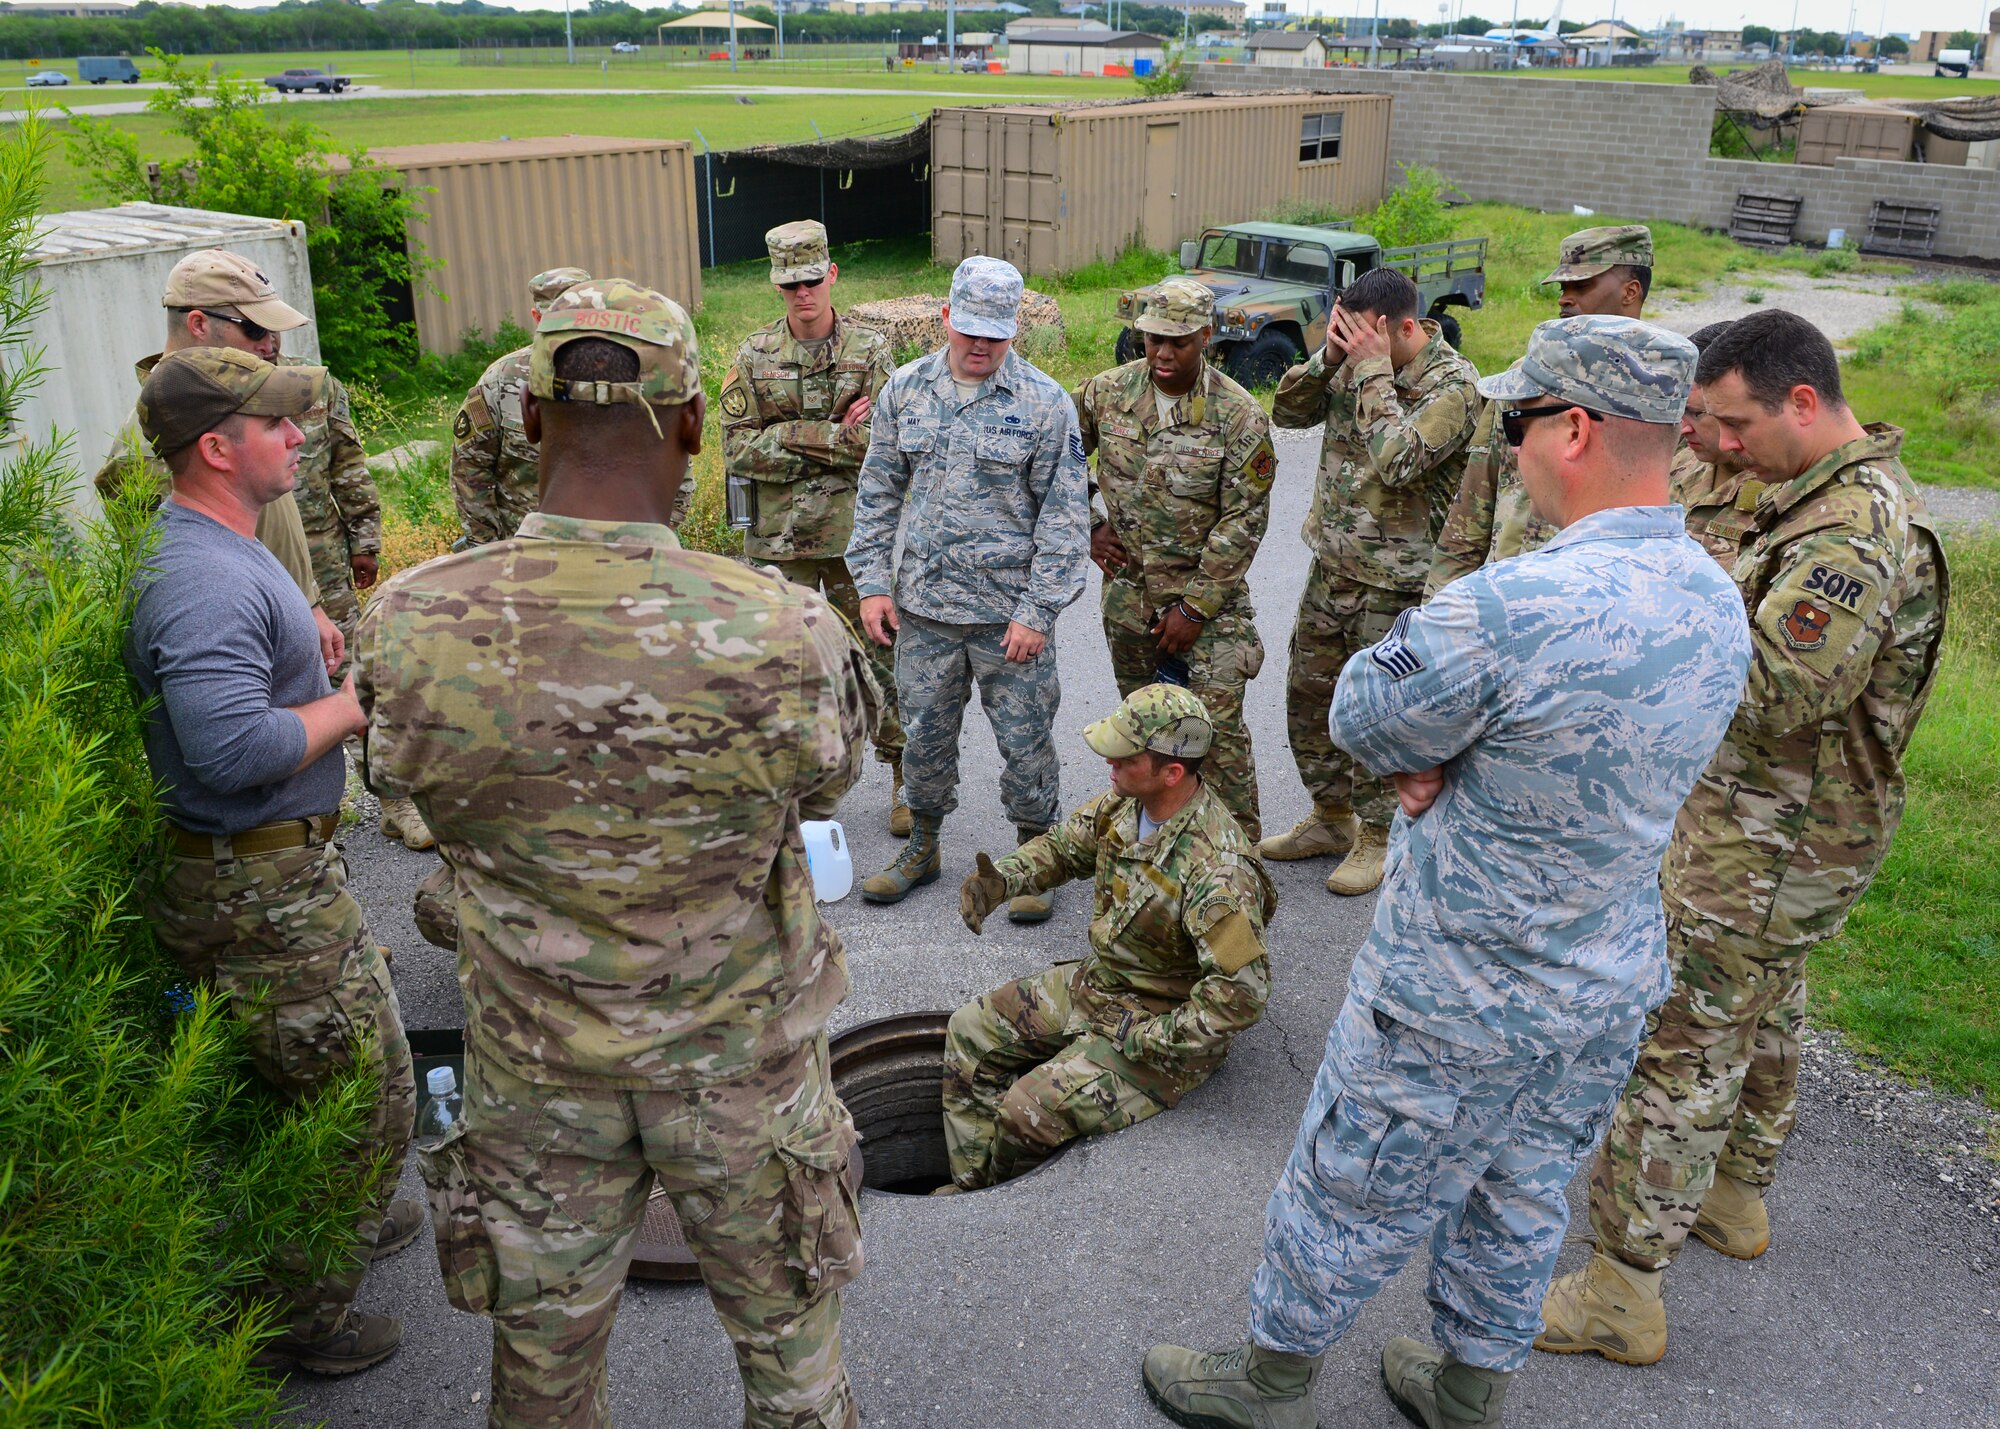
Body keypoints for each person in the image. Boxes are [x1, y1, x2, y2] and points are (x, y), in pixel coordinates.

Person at [1142, 317, 1750, 1429]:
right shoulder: (1715, 600)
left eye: (1516, 424)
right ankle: (1467, 1390)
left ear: (1573, 429)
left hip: (1455, 989)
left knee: (1347, 1175)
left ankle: (1270, 1381)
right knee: (1519, 1193)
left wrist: (1433, 754)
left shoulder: (1505, 608)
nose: (1507, 446)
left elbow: (1358, 713)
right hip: (1601, 981)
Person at [356, 279, 874, 1429]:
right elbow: (827, 780)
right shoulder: (779, 627)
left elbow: (404, 797)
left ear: (529, 422)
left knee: (541, 1386)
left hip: (534, 1073)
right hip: (739, 1072)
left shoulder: (412, 621)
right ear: (695, 421)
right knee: (794, 1374)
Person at [1540, 308, 1950, 1368]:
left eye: (1731, 423)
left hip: (1763, 846)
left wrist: (1667, 602)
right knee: (1762, 1015)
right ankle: (1733, 1196)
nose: (1718, 446)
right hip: (1791, 842)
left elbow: (1777, 686)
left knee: (1679, 1052)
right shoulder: (1821, 500)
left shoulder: (1845, 531)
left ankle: (1619, 1291)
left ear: (1801, 402)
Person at [124, 348, 419, 1377]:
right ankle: (303, 1314)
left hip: (268, 877)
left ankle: (318, 1231)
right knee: (366, 1098)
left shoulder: (217, 544)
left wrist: (308, 646)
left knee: (306, 1084)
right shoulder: (201, 578)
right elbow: (233, 750)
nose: (300, 436)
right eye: (276, 424)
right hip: (258, 891)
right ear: (215, 447)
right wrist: (355, 705)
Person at [945, 684, 1275, 1191]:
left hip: (1159, 1027)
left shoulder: (1219, 872)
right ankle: (972, 1182)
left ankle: (995, 1202)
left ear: (1172, 772)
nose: (1110, 765)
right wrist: (1004, 880)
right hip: (1101, 983)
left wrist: (1146, 1038)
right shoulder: (1125, 804)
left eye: (1126, 757)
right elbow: (1064, 848)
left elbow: (1238, 999)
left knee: (1026, 1108)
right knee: (969, 1031)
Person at [847, 255, 1090, 919]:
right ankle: (922, 846)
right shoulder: (905, 389)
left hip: (1008, 618)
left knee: (1026, 744)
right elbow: (876, 491)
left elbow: (1066, 522)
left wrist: (1037, 611)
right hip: (923, 610)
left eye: (996, 332)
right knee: (922, 740)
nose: (980, 344)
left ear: (1015, 329)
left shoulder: (1044, 404)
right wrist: (872, 584)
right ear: (946, 316)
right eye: (969, 328)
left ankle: (1035, 858)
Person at [1260, 266, 1479, 896]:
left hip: (1399, 581)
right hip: (1332, 564)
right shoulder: (1348, 359)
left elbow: (1399, 460)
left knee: (1385, 713)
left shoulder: (1453, 385)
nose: (1353, 347)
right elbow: (1289, 412)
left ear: (1404, 327)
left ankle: (1380, 836)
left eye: (1361, 338)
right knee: (1309, 696)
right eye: (1343, 334)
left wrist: (1375, 372)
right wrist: (1329, 358)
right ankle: (1330, 818)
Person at [1073, 276, 1278, 841]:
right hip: (1129, 601)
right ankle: (1157, 851)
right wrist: (1089, 525)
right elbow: (1058, 454)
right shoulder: (1106, 393)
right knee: (1146, 737)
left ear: (1206, 336)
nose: (1163, 354)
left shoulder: (1238, 417)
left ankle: (1239, 864)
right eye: (1152, 339)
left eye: (1179, 341)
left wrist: (1194, 608)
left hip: (1210, 610)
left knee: (1216, 733)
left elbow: (1245, 519)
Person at [720, 220, 905, 830]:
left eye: (810, 280)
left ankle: (906, 778)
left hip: (857, 538)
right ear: (777, 286)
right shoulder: (754, 356)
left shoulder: (871, 350)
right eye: (789, 284)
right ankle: (786, 791)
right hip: (780, 543)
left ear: (831, 274)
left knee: (883, 657)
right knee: (783, 668)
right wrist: (833, 433)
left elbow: (887, 445)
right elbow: (738, 452)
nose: (802, 295)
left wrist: (786, 434)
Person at [95, 246, 343, 679]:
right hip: (250, 662)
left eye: (275, 331)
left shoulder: (235, 406)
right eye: (254, 328)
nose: (270, 344)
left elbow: (266, 528)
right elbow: (191, 600)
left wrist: (309, 604)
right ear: (198, 324)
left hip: (289, 629)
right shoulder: (148, 446)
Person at [1424, 225, 1654, 599]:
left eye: (1582, 287)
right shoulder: (1522, 379)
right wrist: (1437, 609)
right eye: (1563, 288)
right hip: (1505, 603)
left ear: (1631, 292)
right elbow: (1471, 509)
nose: (1565, 299)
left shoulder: (1662, 392)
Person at [448, 265, 592, 547]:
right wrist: (487, 549)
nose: (567, 331)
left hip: (606, 554)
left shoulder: (625, 374)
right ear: (536, 318)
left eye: (575, 319)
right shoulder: (501, 381)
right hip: (524, 554)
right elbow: (469, 470)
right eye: (556, 321)